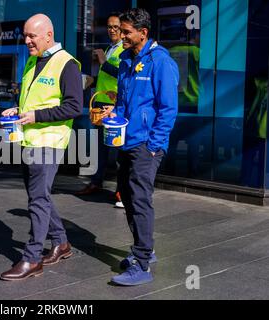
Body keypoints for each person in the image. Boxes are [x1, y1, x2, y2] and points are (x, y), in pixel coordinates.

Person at [0, 13, 83, 281]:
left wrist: (35, 116)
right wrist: (20, 109)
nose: (27, 41)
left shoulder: (67, 64)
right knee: (39, 196)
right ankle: (61, 243)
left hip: (49, 141)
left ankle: (32, 258)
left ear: (49, 35)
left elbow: (74, 107)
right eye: (25, 35)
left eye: (31, 36)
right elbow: (34, 99)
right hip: (30, 139)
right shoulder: (34, 61)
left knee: (37, 199)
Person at [110, 8, 179, 286]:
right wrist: (112, 116)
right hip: (126, 140)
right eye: (121, 30)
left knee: (139, 200)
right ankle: (145, 250)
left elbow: (168, 109)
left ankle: (141, 264)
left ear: (143, 33)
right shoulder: (125, 58)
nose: (121, 36)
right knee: (126, 196)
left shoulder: (161, 62)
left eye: (126, 32)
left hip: (146, 145)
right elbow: (123, 101)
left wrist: (154, 145)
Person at [75, 12, 125, 209]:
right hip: (99, 105)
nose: (112, 30)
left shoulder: (124, 50)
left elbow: (123, 75)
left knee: (120, 151)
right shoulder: (110, 49)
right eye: (110, 26)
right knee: (100, 148)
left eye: (116, 27)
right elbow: (106, 76)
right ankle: (96, 182)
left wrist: (104, 61)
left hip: (115, 108)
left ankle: (122, 191)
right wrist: (91, 81)